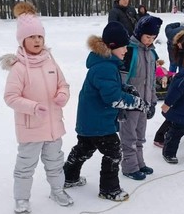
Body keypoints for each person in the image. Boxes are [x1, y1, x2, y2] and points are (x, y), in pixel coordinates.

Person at [62, 22, 149, 201]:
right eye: (123, 46)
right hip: (99, 122)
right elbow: (113, 97)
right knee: (113, 152)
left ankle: (69, 176)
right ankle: (109, 189)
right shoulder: (105, 67)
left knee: (84, 148)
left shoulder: (104, 64)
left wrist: (126, 88)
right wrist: (136, 102)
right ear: (112, 46)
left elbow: (111, 88)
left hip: (89, 120)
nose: (126, 50)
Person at [1, 2, 73, 214]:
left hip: (53, 126)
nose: (37, 40)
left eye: (40, 37)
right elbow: (10, 97)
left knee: (55, 162)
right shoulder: (19, 67)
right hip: (31, 128)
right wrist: (32, 107)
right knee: (25, 167)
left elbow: (64, 84)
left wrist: (62, 95)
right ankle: (22, 198)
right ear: (22, 40)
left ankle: (57, 190)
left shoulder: (50, 61)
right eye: (32, 37)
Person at [118, 15, 163, 181]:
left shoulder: (151, 53)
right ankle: (129, 167)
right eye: (147, 36)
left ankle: (139, 162)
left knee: (140, 135)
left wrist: (152, 101)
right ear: (139, 33)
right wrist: (121, 105)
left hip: (144, 103)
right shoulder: (129, 51)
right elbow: (122, 81)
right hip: (130, 103)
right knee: (129, 136)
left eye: (153, 37)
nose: (149, 40)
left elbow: (151, 80)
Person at [153, 27, 184, 148]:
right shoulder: (176, 49)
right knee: (176, 115)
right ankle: (159, 136)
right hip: (182, 89)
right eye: (181, 46)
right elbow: (168, 28)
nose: (182, 47)